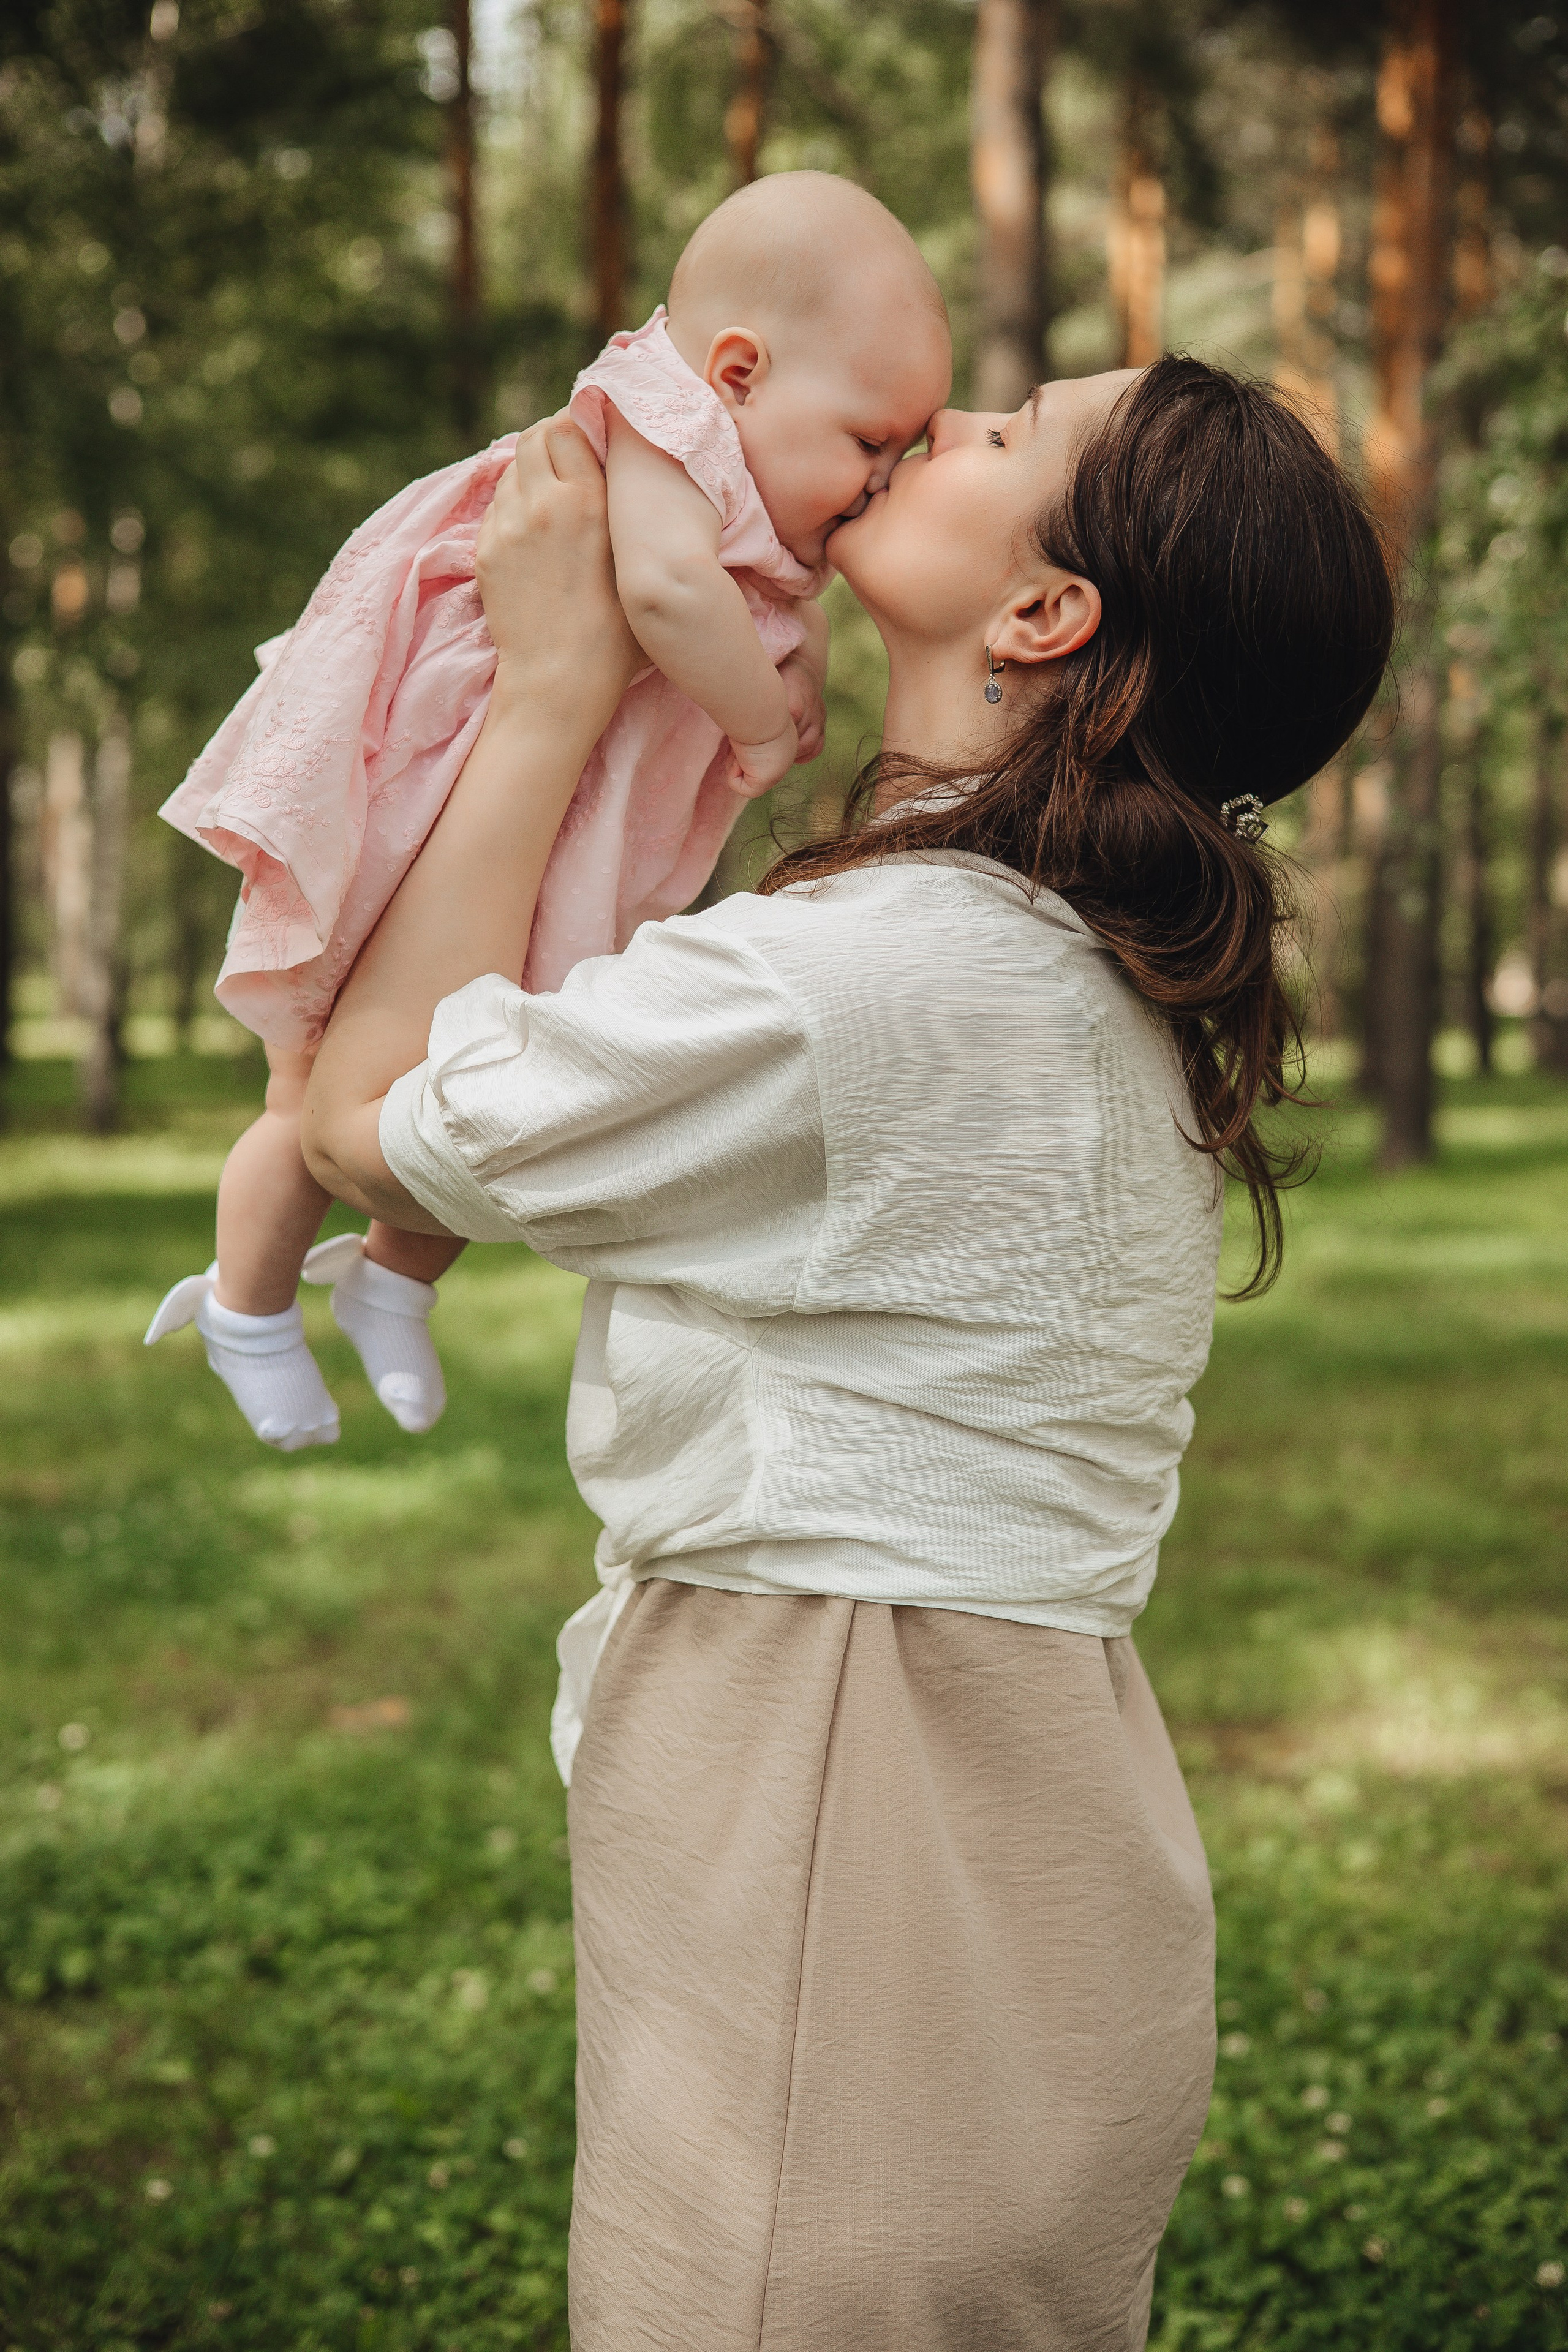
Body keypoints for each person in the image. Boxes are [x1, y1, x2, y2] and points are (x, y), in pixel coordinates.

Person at [301, 355, 1393, 2348]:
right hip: (1009, 1816)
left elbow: (363, 1115)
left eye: (1002, 433)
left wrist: (550, 692)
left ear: (1046, 614)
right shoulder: (1062, 971)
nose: (935, 421)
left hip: (845, 1798)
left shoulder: (886, 978)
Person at [144, 172, 951, 1454]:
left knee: (486, 1041)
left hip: (561, 789)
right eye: (868, 441)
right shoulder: (662, 425)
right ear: (737, 370)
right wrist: (757, 719)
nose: (883, 476)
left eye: (905, 451)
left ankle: (392, 1279)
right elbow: (675, 598)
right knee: (309, 1085)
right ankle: (247, 1310)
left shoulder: (755, 463)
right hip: (435, 754)